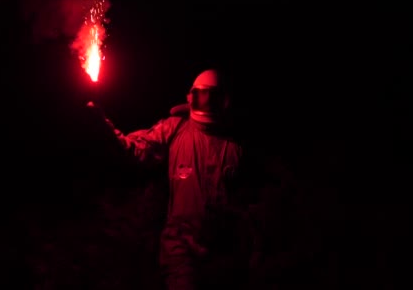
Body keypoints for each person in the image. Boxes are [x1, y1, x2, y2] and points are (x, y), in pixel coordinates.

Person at [87, 69, 274, 290]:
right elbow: (134, 150)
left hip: (223, 247)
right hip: (180, 244)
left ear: (224, 101)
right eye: (203, 96)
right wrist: (103, 125)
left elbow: (255, 200)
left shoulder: (237, 145)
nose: (207, 102)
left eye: (212, 98)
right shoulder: (175, 127)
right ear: (192, 96)